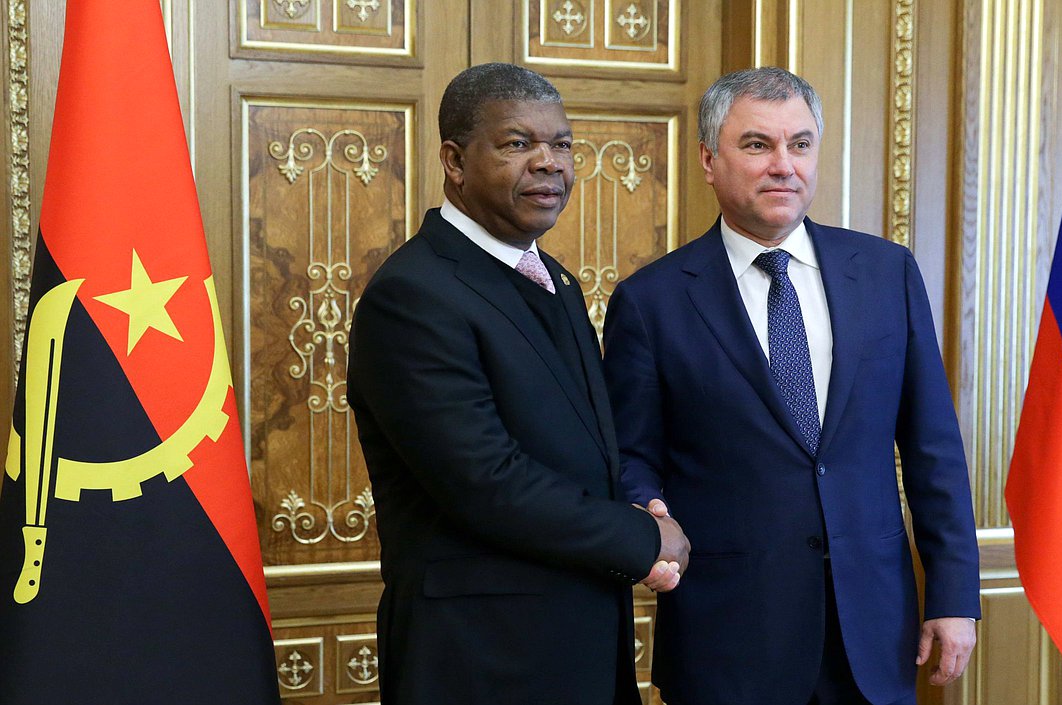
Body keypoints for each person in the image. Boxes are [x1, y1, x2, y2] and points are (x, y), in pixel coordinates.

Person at [602, 67, 980, 705]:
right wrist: (649, 511)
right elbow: (631, 454)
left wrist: (953, 595)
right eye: (757, 145)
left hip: (873, 630)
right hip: (728, 637)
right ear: (708, 159)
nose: (783, 165)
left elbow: (932, 448)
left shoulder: (886, 272)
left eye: (799, 145)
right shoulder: (651, 301)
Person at [347, 63, 689, 705]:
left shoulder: (554, 279)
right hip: (480, 659)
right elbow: (484, 481)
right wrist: (640, 537)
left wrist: (645, 505)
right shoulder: (413, 295)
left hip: (579, 646)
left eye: (561, 144)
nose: (548, 163)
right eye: (517, 144)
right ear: (454, 161)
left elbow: (583, 447)